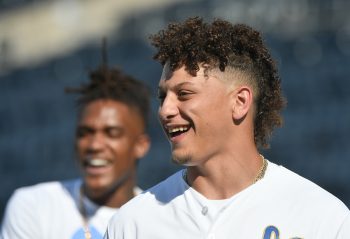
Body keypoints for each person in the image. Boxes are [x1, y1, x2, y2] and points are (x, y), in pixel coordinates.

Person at [104, 17, 350, 239]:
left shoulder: (323, 219)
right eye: (162, 97)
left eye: (184, 94)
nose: (165, 110)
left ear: (240, 102)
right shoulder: (131, 224)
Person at [1, 51, 151, 238]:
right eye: (84, 133)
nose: (95, 145)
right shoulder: (33, 206)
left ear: (141, 145)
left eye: (112, 133)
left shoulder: (157, 222)